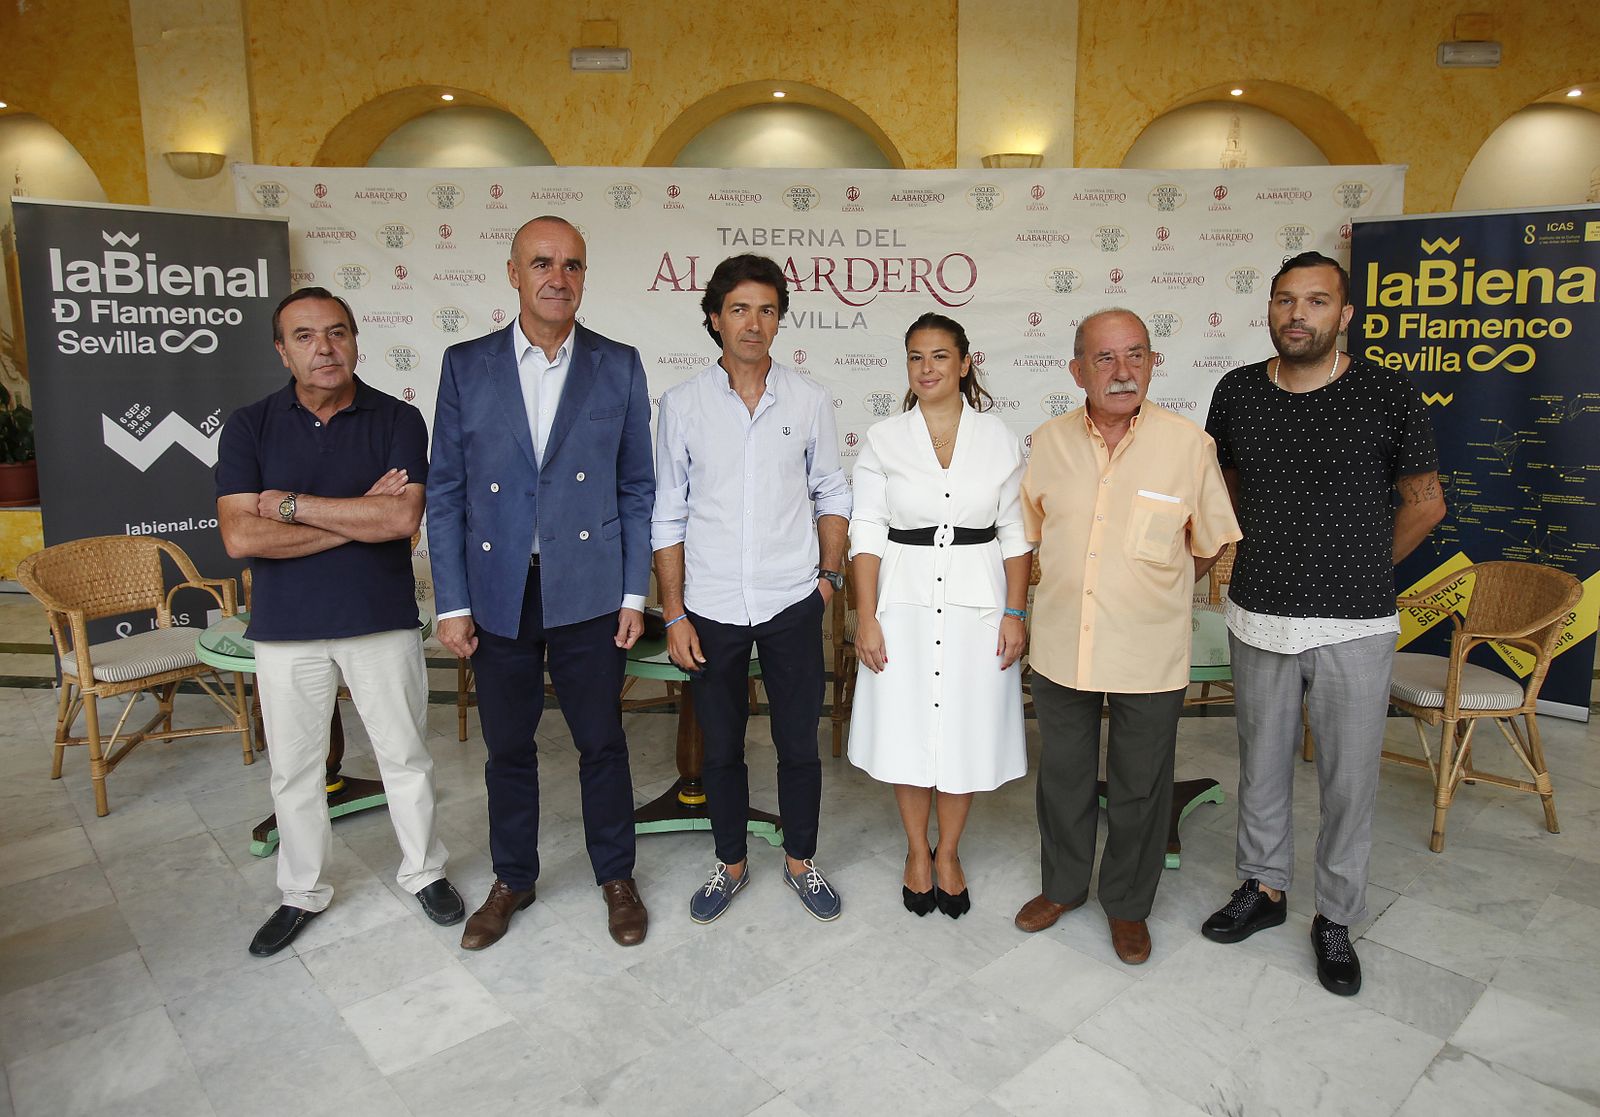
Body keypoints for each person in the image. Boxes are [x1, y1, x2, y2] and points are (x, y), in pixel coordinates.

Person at [1201, 251, 1445, 996]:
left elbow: (1425, 503)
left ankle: (1334, 916)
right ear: (1268, 310)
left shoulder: (1388, 393)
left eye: (1314, 301)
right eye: (1283, 300)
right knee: (1262, 766)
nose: (1296, 314)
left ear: (1344, 316)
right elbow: (1227, 492)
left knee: (1347, 781)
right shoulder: (1237, 391)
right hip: (1259, 614)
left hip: (1355, 623)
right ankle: (1264, 888)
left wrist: (1363, 563)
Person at [429, 216, 654, 950]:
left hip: (589, 588)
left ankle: (615, 876)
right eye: (543, 263)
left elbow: (635, 488)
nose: (559, 277)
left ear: (585, 276)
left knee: (601, 742)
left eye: (573, 265)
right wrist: (453, 601)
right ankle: (513, 876)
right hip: (500, 589)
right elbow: (447, 492)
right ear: (514, 273)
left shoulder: (618, 364)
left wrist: (632, 593)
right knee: (508, 748)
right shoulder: (466, 365)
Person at [216, 286, 462, 957]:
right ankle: (302, 890)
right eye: (304, 335)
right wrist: (357, 517)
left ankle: (424, 871)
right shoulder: (250, 425)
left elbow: (402, 519)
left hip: (378, 619)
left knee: (404, 754)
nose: (324, 348)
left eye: (336, 332)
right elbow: (241, 536)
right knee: (294, 769)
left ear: (356, 339)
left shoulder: (398, 419)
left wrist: (290, 507)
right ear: (282, 349)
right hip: (285, 628)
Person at [1014, 308, 1240, 965]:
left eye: (1135, 355)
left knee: (1142, 784)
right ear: (1077, 370)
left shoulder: (1188, 446)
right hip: (1062, 641)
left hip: (1148, 646)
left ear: (1153, 362)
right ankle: (1061, 887)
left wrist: (1153, 587)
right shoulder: (1047, 442)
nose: (1122, 371)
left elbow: (1206, 545)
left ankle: (1128, 906)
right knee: (1063, 775)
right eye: (1106, 359)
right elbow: (1027, 538)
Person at [652, 253, 852, 924]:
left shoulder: (808, 398)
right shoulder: (681, 404)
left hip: (792, 600)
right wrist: (674, 612)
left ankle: (800, 859)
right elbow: (668, 513)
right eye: (739, 308)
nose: (753, 322)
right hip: (709, 607)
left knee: (799, 741)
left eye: (766, 309)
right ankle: (731, 862)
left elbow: (831, 488)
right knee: (723, 745)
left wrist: (827, 578)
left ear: (779, 320)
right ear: (714, 317)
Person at [846, 312, 1032, 919]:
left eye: (940, 357)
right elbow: (867, 530)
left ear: (965, 362)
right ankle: (915, 853)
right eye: (916, 358)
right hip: (902, 602)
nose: (927, 369)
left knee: (965, 731)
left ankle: (948, 852)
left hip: (978, 605)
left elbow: (1015, 533)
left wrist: (1014, 611)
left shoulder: (1000, 439)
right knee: (906, 729)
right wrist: (865, 615)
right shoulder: (883, 439)